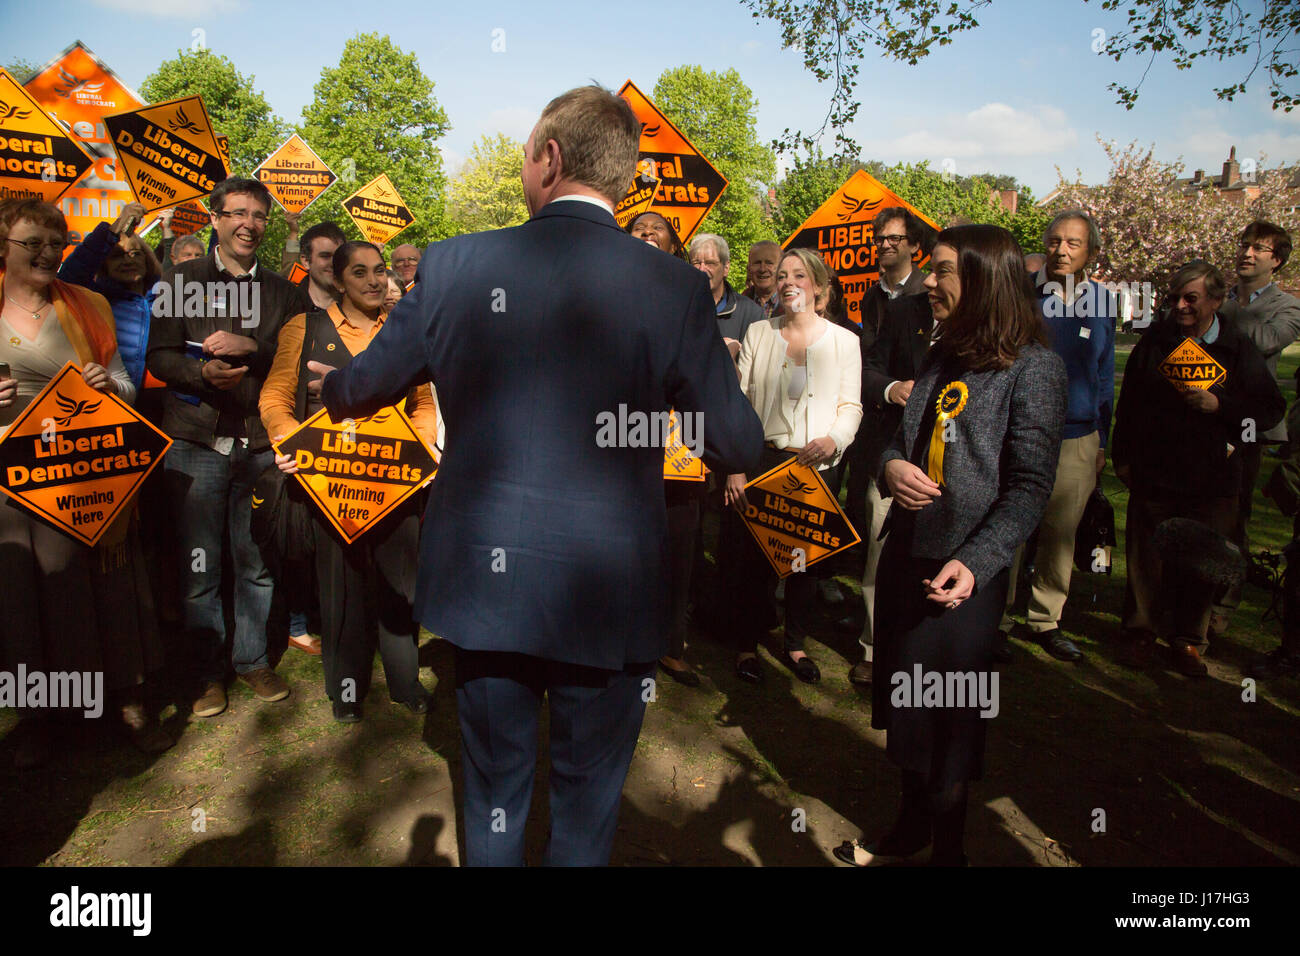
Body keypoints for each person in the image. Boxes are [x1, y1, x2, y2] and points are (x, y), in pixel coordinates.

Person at [317, 85, 763, 866]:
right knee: (587, 811)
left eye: (525, 153)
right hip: (610, 588)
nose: (524, 165)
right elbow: (736, 443)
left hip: (490, 588)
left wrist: (330, 384)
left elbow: (361, 385)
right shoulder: (674, 288)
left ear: (550, 158)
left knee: (491, 799)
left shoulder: (455, 265)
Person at [835, 224, 1066, 867]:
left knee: (952, 712)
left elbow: (1028, 489)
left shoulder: (1035, 369)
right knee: (906, 700)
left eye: (940, 271)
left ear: (984, 279)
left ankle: (951, 850)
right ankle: (912, 827)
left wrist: (975, 562)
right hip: (908, 554)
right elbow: (894, 440)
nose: (928, 282)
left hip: (967, 574)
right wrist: (889, 468)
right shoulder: (941, 355)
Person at [0, 199, 170, 767]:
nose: (49, 254)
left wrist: (109, 385)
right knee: (27, 599)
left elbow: (126, 384)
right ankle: (40, 720)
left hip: (91, 475)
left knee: (110, 592)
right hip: (14, 486)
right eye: (33, 244)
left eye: (57, 243)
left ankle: (126, 702)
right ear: (5, 247)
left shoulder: (89, 303)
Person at [147, 176, 311, 718]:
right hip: (195, 441)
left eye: (259, 215)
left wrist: (254, 349)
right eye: (237, 213)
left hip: (260, 444)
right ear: (214, 218)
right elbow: (159, 357)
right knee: (200, 568)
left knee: (255, 562)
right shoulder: (180, 278)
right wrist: (200, 371)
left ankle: (251, 661)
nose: (249, 223)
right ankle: (204, 674)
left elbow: (293, 364)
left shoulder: (286, 291)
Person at [261, 241, 435, 720]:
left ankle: (405, 680)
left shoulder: (404, 328)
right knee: (340, 588)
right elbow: (275, 397)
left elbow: (423, 403)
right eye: (360, 273)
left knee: (402, 586)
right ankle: (347, 691)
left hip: (397, 483)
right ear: (337, 281)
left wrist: (418, 456)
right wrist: (286, 443)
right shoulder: (304, 328)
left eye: (380, 271)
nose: (376, 280)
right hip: (330, 483)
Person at [1111, 260, 1284, 676]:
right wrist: (1124, 458)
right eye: (1175, 298)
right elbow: (1129, 403)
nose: (1181, 306)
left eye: (1192, 298)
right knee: (1146, 555)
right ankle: (1140, 633)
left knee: (1203, 559)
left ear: (1217, 299)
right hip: (1155, 469)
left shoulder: (1238, 347)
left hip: (1213, 476)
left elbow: (1269, 407)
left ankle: (1188, 640)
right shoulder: (1156, 340)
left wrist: (1220, 406)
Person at [720, 247, 863, 684]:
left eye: (798, 275)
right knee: (754, 562)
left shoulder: (845, 341)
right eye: (782, 274)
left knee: (804, 565)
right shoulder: (760, 333)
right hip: (761, 459)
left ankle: (795, 642)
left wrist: (833, 440)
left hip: (816, 465)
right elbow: (738, 405)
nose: (786, 282)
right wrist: (735, 466)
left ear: (817, 286)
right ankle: (747, 644)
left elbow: (851, 406)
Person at [1000, 210, 1115, 662]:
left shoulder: (1102, 303)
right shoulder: (1018, 296)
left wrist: (1102, 438)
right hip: (1020, 429)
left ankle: (1046, 618)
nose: (1062, 250)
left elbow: (1104, 375)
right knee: (1009, 525)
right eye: (1055, 241)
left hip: (1078, 436)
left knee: (1061, 533)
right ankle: (996, 617)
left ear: (1091, 252)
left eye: (1073, 243)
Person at [626, 211, 703, 686]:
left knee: (678, 551)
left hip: (679, 450)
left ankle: (672, 646)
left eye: (658, 231)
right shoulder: (603, 294)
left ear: (675, 246)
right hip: (620, 450)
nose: (649, 235)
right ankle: (628, 641)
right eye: (639, 230)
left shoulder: (689, 297)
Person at [840, 208, 931, 606]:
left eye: (894, 238)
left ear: (915, 246)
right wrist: (887, 387)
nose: (884, 245)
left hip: (915, 427)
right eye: (879, 238)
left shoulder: (926, 297)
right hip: (873, 417)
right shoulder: (872, 295)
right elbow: (869, 359)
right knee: (863, 509)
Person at [851, 288, 936, 684]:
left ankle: (926, 659)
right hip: (893, 457)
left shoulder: (996, 327)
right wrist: (891, 388)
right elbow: (868, 370)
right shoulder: (905, 310)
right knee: (879, 557)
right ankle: (872, 649)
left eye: (944, 270)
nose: (932, 282)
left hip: (957, 474)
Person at [1220, 222, 1300, 618]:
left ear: (1277, 260)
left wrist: (1222, 306)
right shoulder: (1218, 296)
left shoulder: (1287, 306)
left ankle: (1224, 603)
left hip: (1249, 424)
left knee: (1235, 510)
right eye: (1244, 245)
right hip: (1203, 416)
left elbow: (1267, 341)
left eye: (1260, 249)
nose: (1247, 253)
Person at [690, 233, 763, 361]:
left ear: (726, 268)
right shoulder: (678, 309)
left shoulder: (751, 314)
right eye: (696, 263)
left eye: (710, 263)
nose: (702, 269)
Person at [293, 221, 347, 310]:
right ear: (306, 261)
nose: (334, 263)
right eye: (325, 256)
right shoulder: (286, 305)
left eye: (339, 256)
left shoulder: (359, 307)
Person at [743, 240, 782, 317]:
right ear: (749, 269)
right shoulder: (738, 306)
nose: (762, 269)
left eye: (769, 263)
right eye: (757, 263)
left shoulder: (794, 305)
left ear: (781, 268)